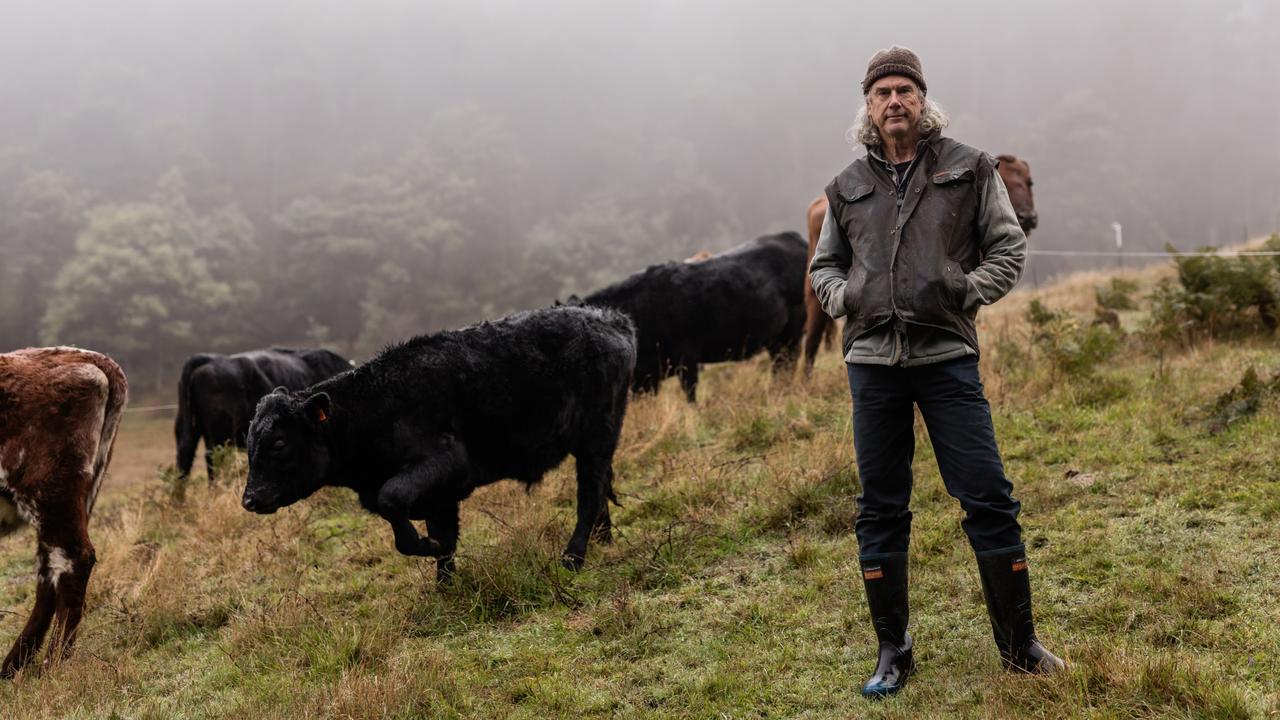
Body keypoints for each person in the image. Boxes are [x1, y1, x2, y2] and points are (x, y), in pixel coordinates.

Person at [809, 46, 1065, 699]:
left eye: (905, 91)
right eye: (882, 93)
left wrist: (966, 291)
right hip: (872, 364)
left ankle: (1020, 647)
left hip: (946, 357)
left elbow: (1009, 246)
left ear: (923, 101)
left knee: (987, 497)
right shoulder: (845, 187)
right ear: (868, 107)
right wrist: (847, 299)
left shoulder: (969, 167)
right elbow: (823, 269)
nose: (894, 102)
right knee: (881, 508)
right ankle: (893, 652)